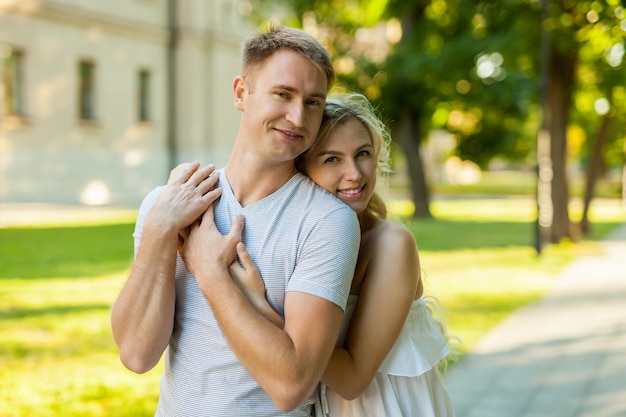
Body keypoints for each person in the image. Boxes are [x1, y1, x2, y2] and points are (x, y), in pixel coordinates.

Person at [110, 26, 361, 417]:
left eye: (313, 102)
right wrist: (160, 230)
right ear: (242, 93)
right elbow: (137, 353)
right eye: (283, 94)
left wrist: (210, 272)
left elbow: (291, 384)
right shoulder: (170, 204)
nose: (297, 116)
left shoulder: (327, 222)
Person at [229, 92, 456, 416]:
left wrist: (259, 305)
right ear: (301, 168)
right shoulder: (304, 243)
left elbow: (352, 379)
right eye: (332, 159)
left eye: (362, 154)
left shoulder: (392, 245)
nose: (355, 174)